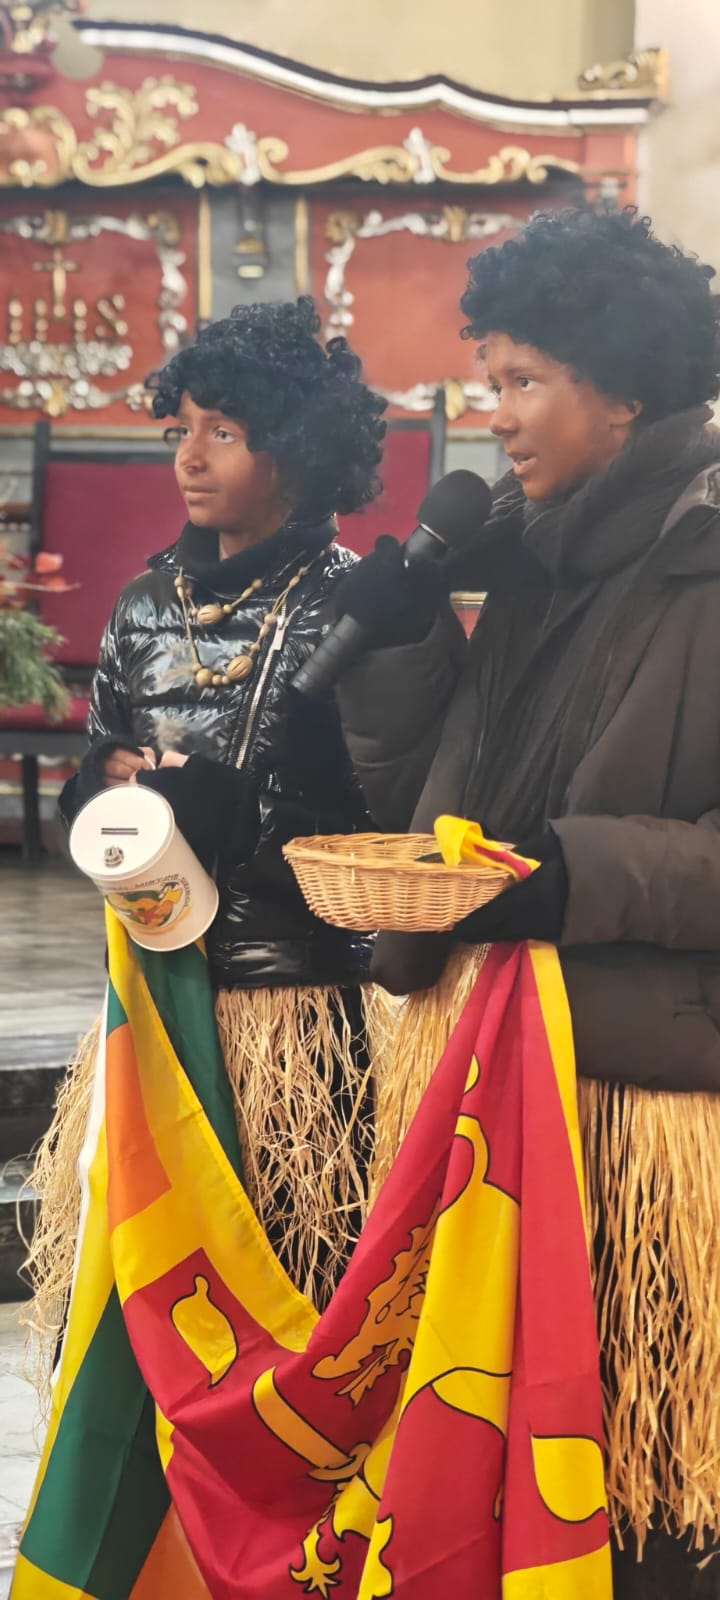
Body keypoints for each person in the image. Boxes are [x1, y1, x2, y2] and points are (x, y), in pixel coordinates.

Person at [334, 208, 720, 1597]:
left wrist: (567, 876)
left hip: (634, 1099)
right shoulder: (524, 555)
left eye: (523, 380)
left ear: (627, 389)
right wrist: (400, 645)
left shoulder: (706, 560)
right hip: (484, 1074)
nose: (492, 417)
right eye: (486, 380)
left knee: (642, 1502)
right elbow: (420, 801)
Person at [29, 296, 388, 1333]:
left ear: (298, 452)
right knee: (157, 1308)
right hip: (156, 1000)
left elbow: (385, 830)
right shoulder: (143, 604)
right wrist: (98, 792)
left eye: (222, 433)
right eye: (179, 430)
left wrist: (233, 811)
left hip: (296, 1004)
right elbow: (100, 762)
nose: (189, 456)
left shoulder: (354, 607)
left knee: (293, 1294)